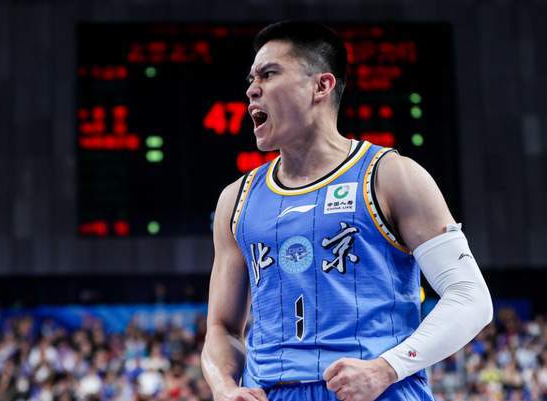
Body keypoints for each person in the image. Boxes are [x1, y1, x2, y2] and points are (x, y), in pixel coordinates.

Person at [201, 21, 493, 401]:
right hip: (273, 392)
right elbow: (222, 328)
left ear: (321, 86)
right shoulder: (236, 200)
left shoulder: (391, 176)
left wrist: (386, 368)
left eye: (269, 74)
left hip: (377, 388)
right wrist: (224, 388)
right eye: (251, 78)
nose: (251, 89)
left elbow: (470, 297)